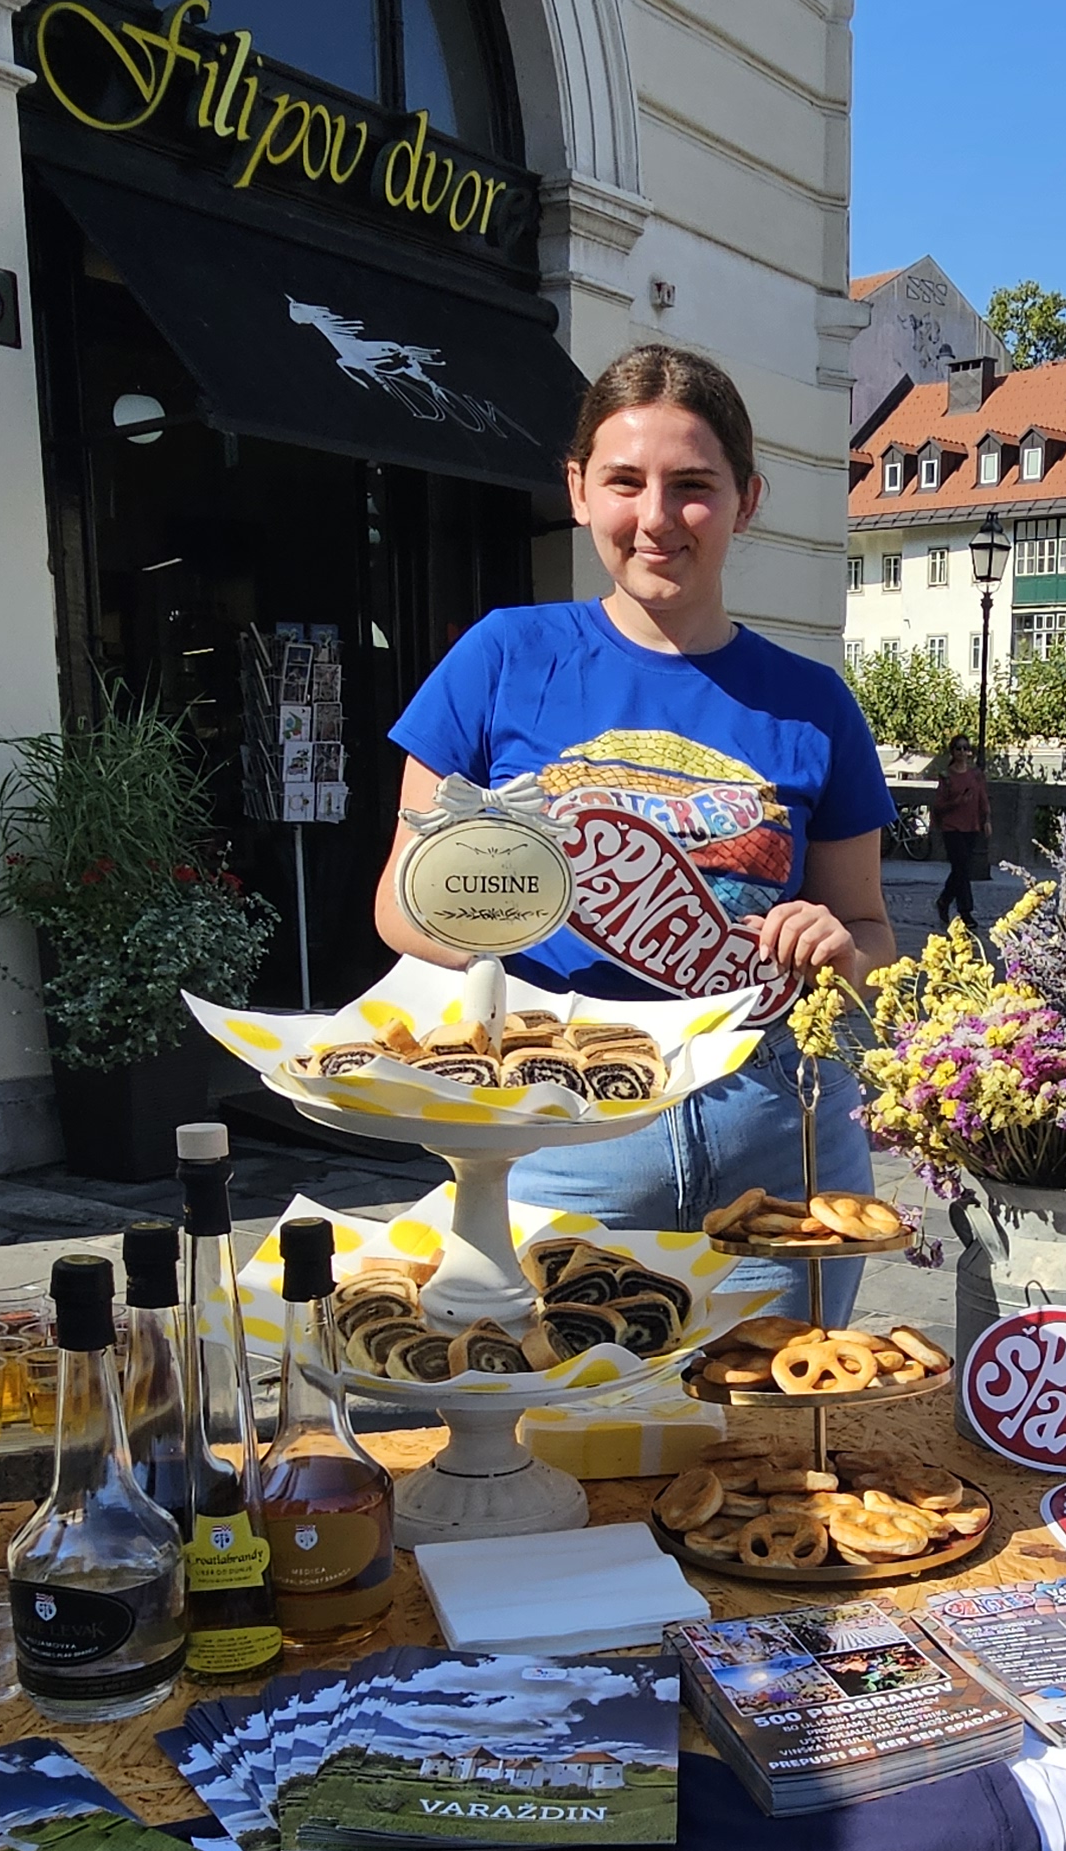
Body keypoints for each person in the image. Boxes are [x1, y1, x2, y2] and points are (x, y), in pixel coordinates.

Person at [377, 343, 897, 1314]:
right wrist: (532, 907)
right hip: (559, 1119)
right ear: (579, 491)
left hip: (775, 1123)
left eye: (692, 486)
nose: (656, 517)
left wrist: (835, 946)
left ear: (746, 500)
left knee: (778, 1406)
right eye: (625, 481)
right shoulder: (503, 657)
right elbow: (401, 908)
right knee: (551, 1399)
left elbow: (868, 937)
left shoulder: (814, 702)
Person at [933, 735, 990, 932]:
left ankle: (944, 900)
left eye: (966, 748)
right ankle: (965, 912)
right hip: (952, 828)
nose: (962, 752)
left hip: (971, 826)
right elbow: (939, 805)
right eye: (958, 748)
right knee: (962, 867)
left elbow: (982, 798)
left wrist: (986, 820)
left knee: (961, 869)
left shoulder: (976, 775)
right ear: (953, 752)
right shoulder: (946, 776)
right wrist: (957, 801)